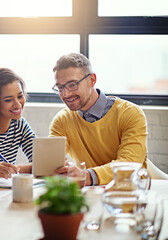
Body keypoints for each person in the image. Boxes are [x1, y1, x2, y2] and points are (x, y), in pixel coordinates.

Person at [49, 53, 147, 186]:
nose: (65, 94)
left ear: (92, 80)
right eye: (60, 87)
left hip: (130, 192)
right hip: (90, 193)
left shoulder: (130, 113)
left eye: (72, 85)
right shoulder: (62, 119)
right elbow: (52, 160)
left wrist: (86, 176)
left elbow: (130, 163)